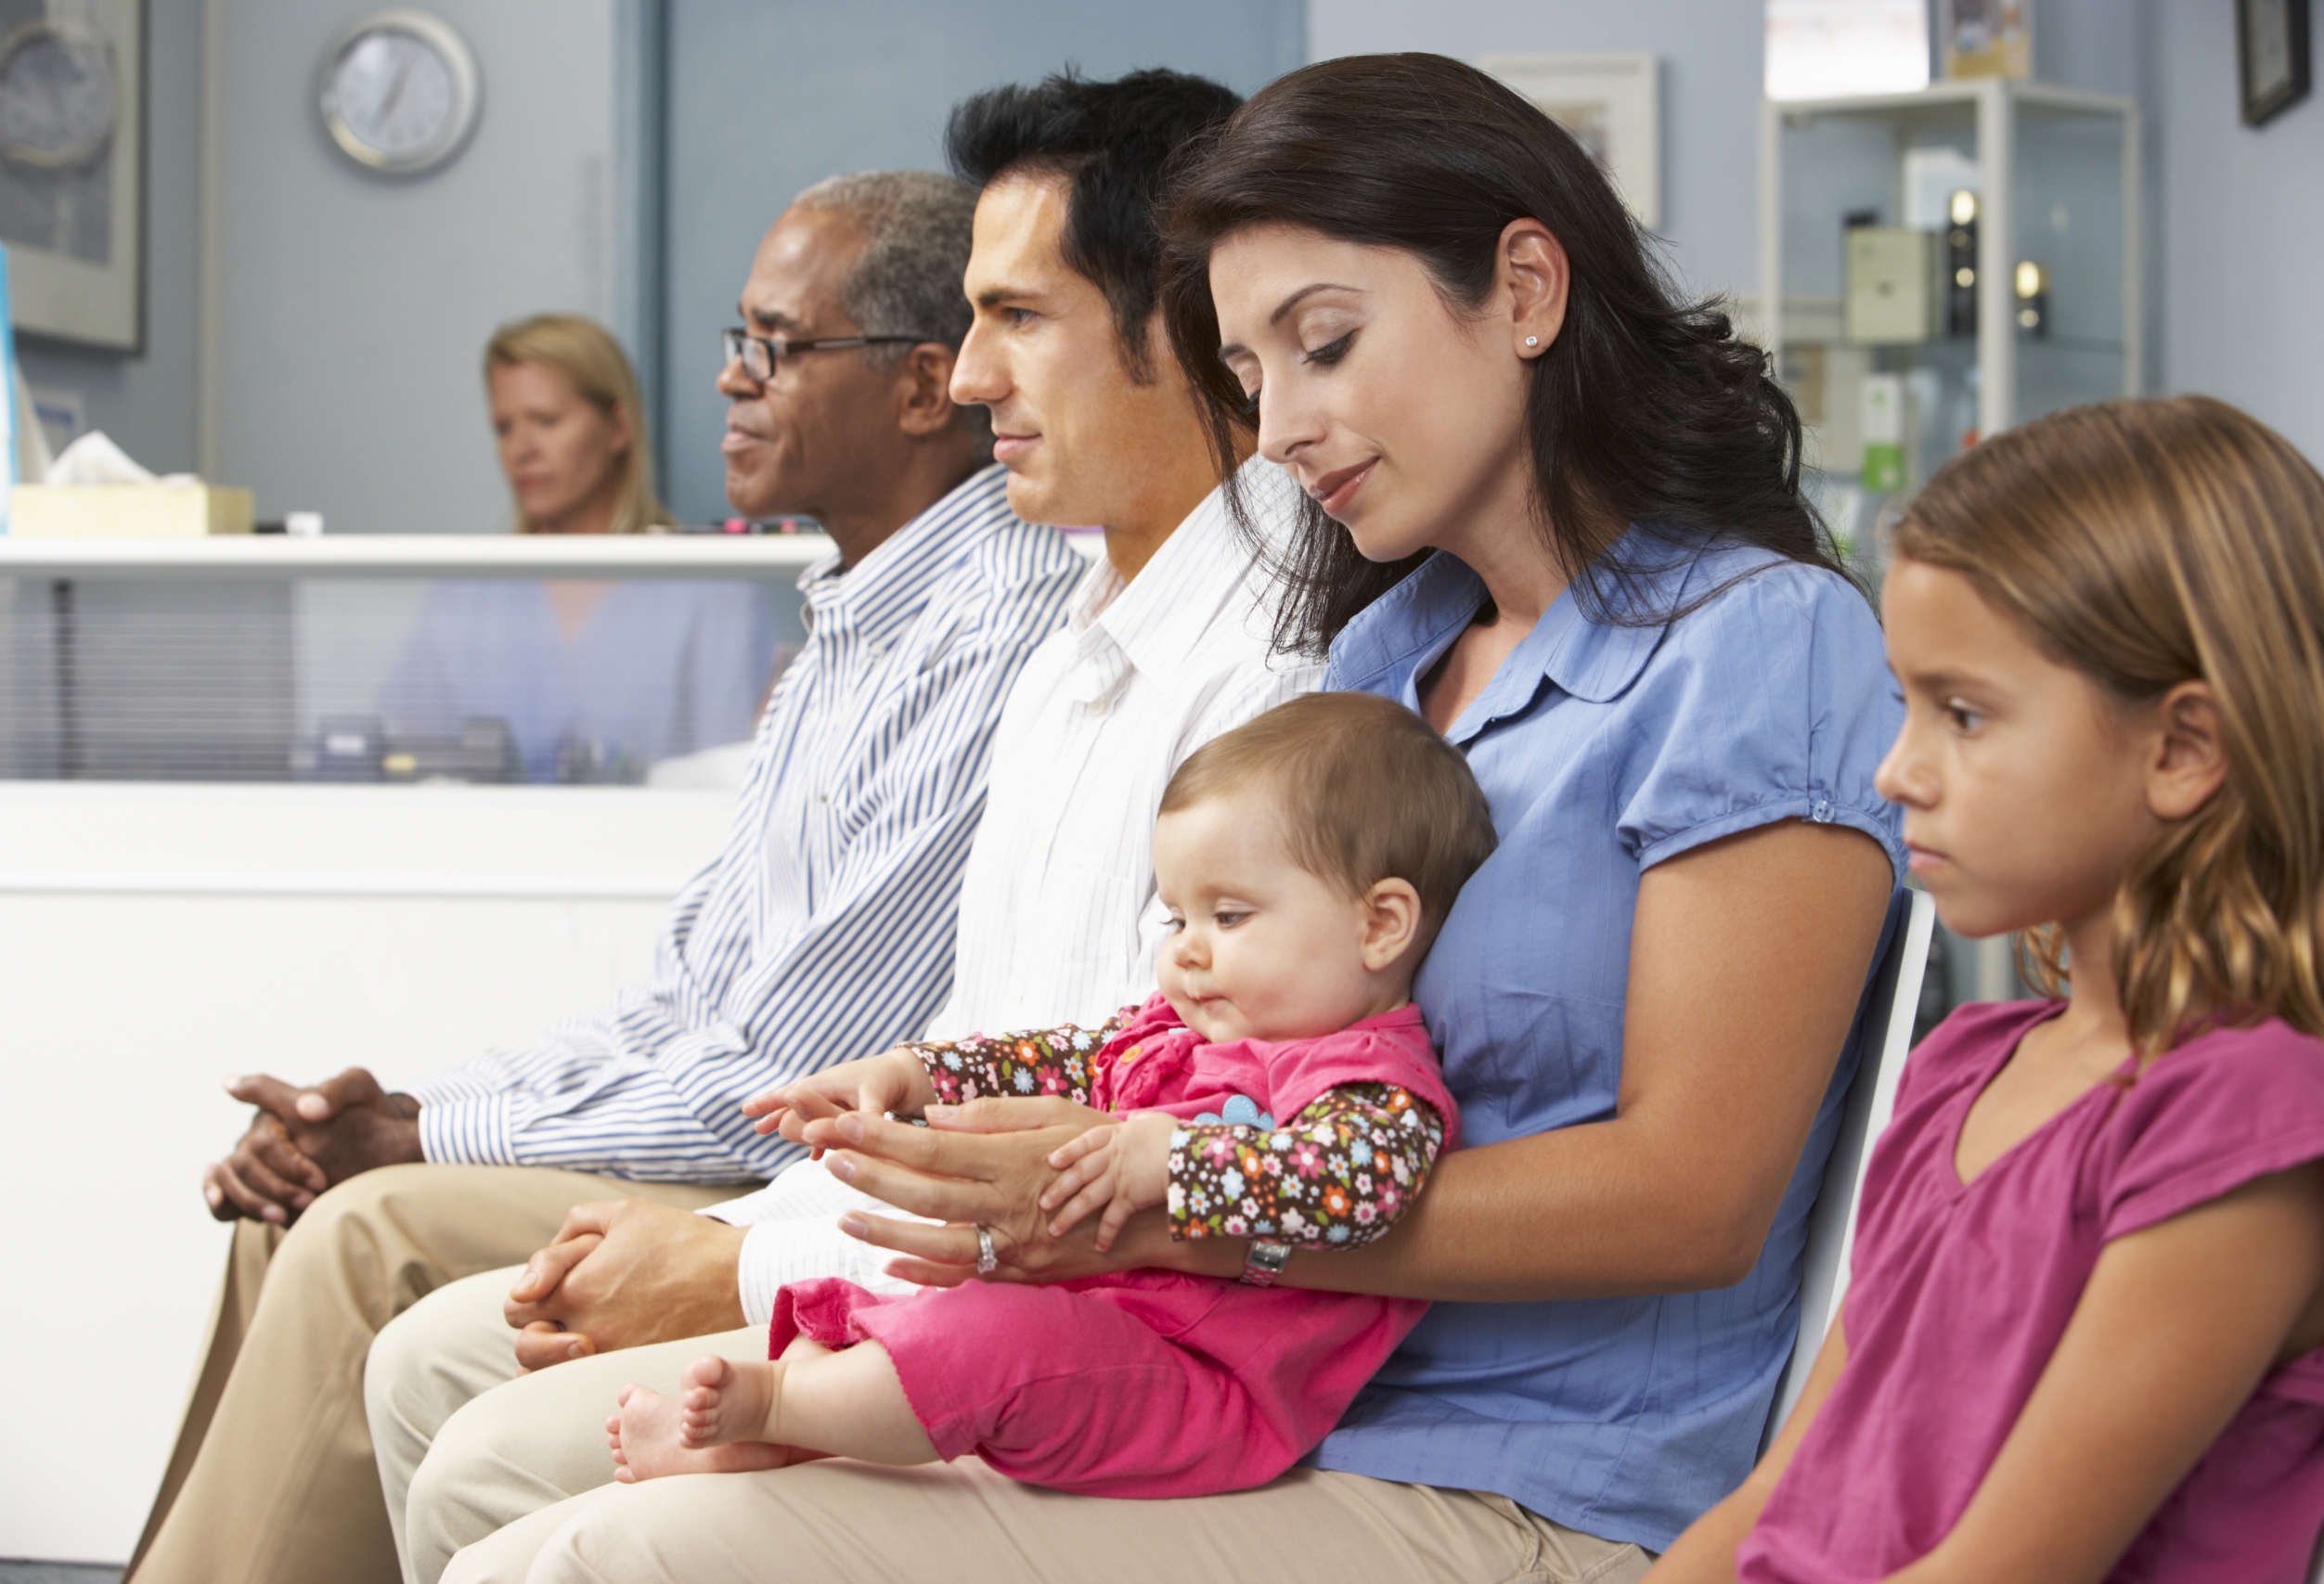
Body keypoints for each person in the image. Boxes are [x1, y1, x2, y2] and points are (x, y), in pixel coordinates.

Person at [441, 51, 1904, 1584]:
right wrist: (971, 1099)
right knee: (518, 1492)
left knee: (593, 1556)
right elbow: (1200, 1029)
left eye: (1325, 345)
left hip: (1514, 1478)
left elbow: (1692, 1197)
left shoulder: (1757, 646)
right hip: (1243, 1389)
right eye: (1253, 372)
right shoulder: (1387, 656)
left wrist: (1149, 1198)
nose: (1278, 429)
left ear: (1527, 289)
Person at [375, 69, 1319, 1584]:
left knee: (480, 1446)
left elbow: (1098, 1154)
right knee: (430, 1364)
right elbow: (955, 1064)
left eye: (1021, 319)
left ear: (1183, 321)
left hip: (1084, 1332)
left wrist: (732, 1258)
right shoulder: (1083, 629)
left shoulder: (1276, 673)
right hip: (934, 1256)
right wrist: (747, 1228)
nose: (967, 381)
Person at [128, 171, 1084, 1584]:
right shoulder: (849, 621)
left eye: (772, 344)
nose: (729, 376)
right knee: (295, 1211)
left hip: (778, 1169)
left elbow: (778, 1078)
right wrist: (401, 1107)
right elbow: (680, 994)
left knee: (360, 1229)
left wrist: (417, 1138)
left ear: (920, 386)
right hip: (729, 1127)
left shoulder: (985, 626)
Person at [1651, 396, 2324, 1583]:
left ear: (2183, 749)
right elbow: (1774, 1501)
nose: (1897, 772)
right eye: (1905, 706)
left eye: (1965, 715)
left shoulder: (2249, 1118)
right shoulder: (1964, 1066)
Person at [596, 691, 1491, 1500]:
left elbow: (1360, 1187)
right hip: (1105, 1319)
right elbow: (1058, 1057)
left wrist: (1168, 1161)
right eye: (1176, 917)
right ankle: (786, 1433)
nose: (1186, 950)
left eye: (1230, 916)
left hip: (1203, 1384)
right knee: (921, 1305)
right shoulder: (1186, 1032)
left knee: (986, 1341)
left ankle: (781, 1408)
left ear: (1380, 924)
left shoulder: (1370, 1078)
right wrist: (918, 1074)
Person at [376, 315, 780, 786]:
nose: (522, 449)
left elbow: (732, 789)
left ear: (617, 429)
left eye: (546, 421)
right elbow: (409, 761)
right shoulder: (466, 597)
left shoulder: (710, 593)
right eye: (504, 428)